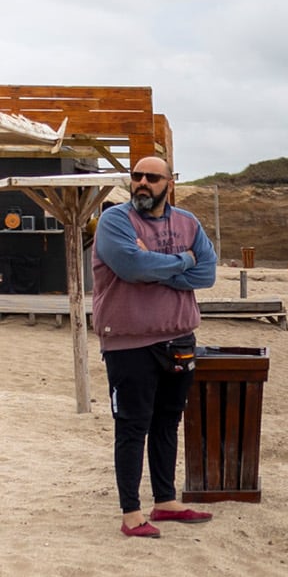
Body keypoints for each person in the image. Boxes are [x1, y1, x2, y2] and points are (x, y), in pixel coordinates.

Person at [93, 158, 217, 538]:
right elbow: (131, 267)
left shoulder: (188, 223)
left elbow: (207, 273)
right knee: (132, 426)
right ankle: (131, 513)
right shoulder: (115, 221)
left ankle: (164, 501)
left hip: (179, 338)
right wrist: (181, 261)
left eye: (152, 177)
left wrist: (154, 267)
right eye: (137, 176)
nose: (142, 183)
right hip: (129, 342)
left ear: (170, 183)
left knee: (167, 422)